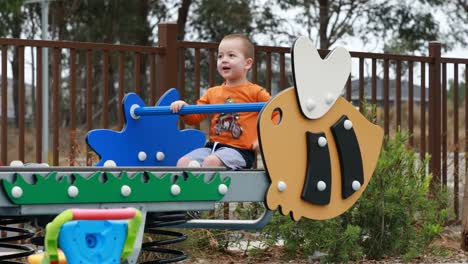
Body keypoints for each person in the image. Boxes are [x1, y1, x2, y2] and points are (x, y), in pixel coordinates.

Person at [170, 34, 272, 170]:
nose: (224, 60)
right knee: (183, 162)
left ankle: (206, 191)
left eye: (231, 55)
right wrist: (184, 108)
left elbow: (276, 112)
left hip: (240, 151)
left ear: (247, 63)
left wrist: (262, 138)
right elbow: (194, 118)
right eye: (220, 56)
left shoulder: (255, 92)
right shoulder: (213, 92)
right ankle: (190, 191)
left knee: (211, 163)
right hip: (213, 148)